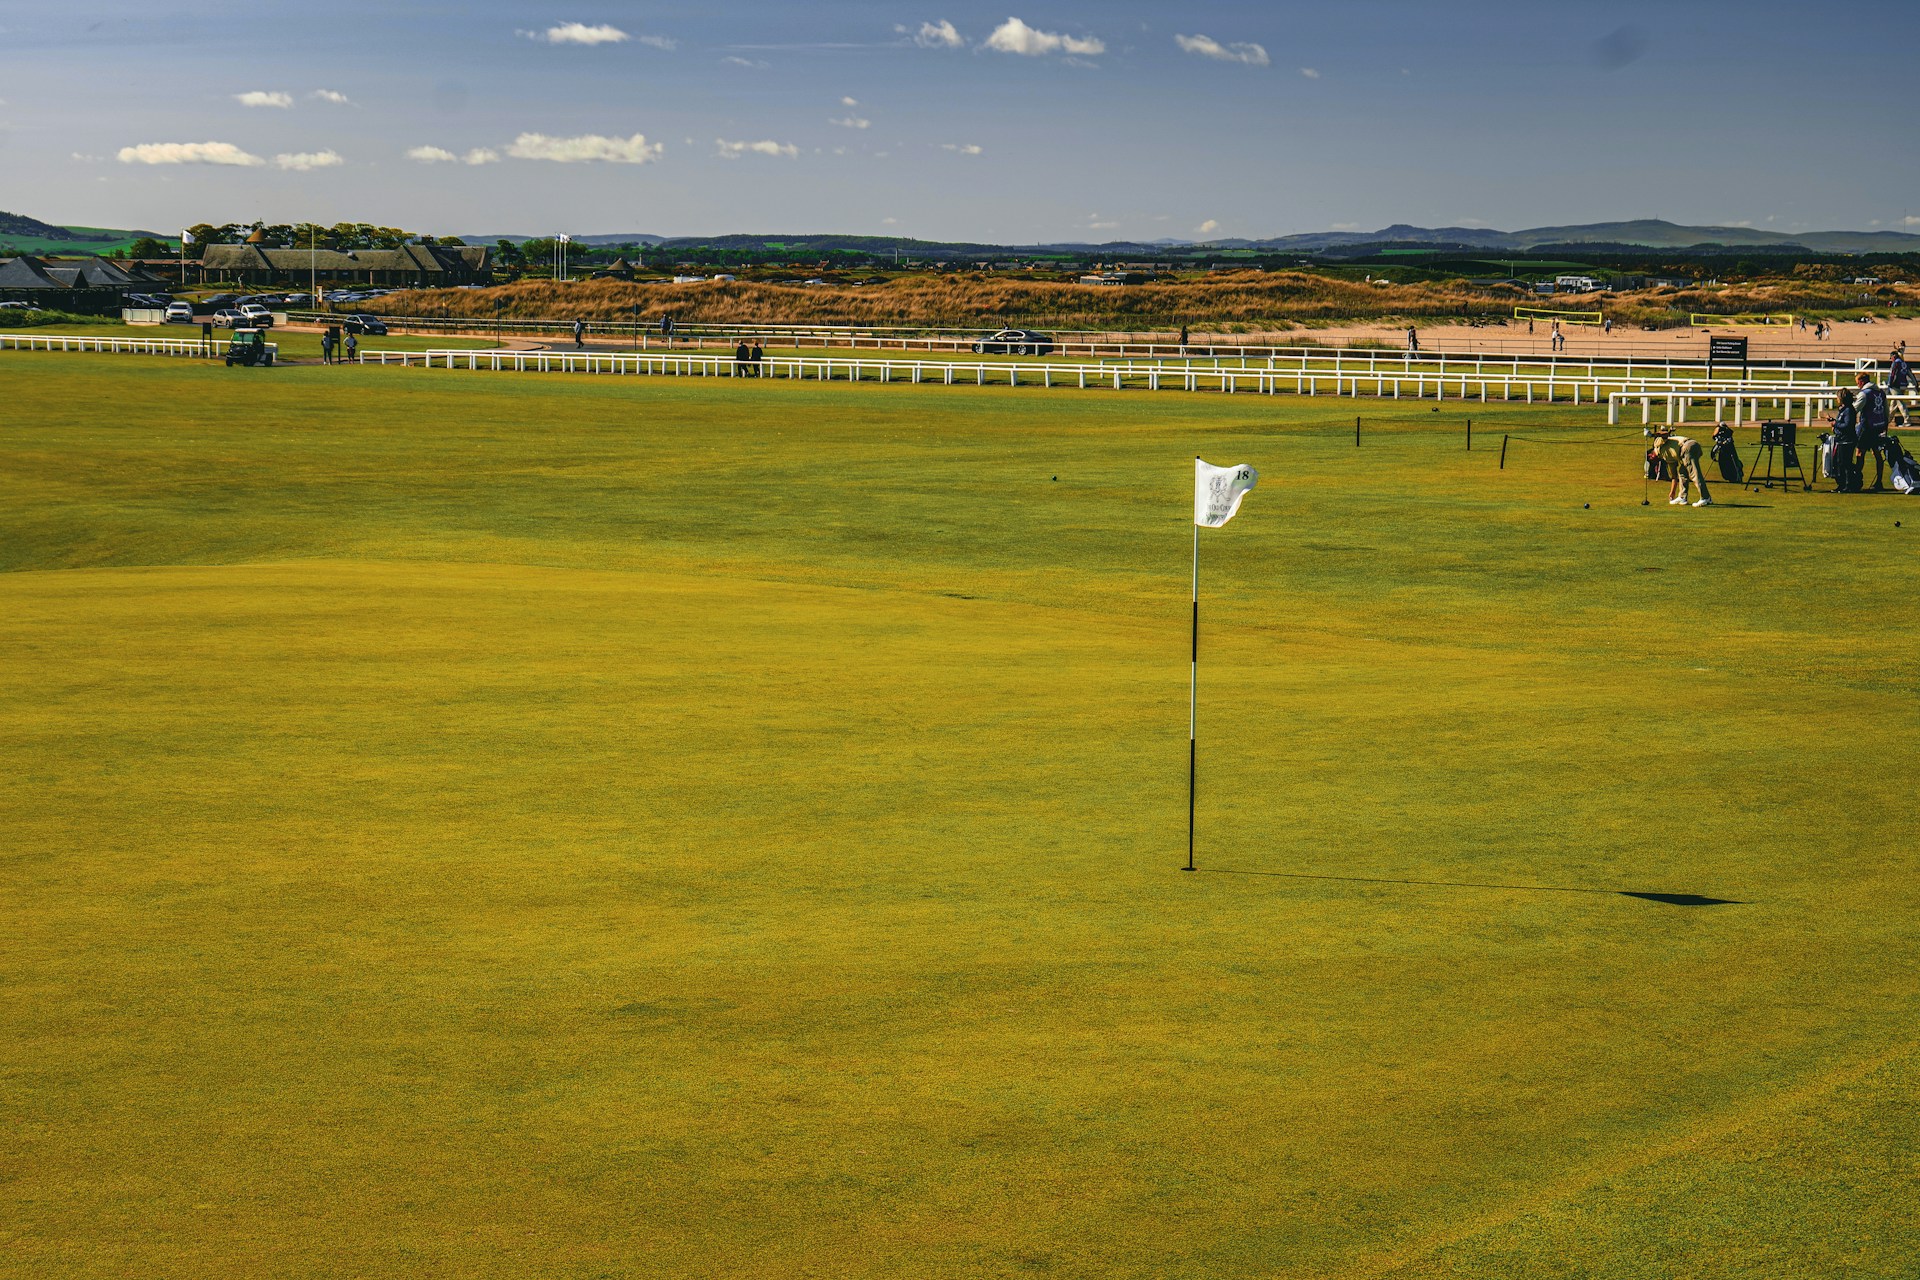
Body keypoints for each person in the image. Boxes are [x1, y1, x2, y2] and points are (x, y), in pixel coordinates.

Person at [1649, 427, 1713, 506]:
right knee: (1682, 473)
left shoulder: (1657, 445)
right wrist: (1672, 492)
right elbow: (1674, 477)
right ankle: (1682, 497)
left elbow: (1665, 434)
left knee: (1694, 474)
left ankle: (1706, 498)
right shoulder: (1665, 457)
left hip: (1687, 446)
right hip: (1685, 452)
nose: (1653, 461)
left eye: (1651, 459)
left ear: (1650, 454)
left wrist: (1651, 434)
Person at [1854, 371, 1890, 490]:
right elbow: (1886, 411)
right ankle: (1879, 481)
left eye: (1857, 382)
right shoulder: (1880, 392)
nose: (1857, 385)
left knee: (1860, 453)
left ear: (1861, 381)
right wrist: (1885, 425)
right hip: (1878, 427)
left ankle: (1857, 480)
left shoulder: (1864, 394)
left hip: (1866, 428)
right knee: (1877, 454)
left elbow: (1854, 409)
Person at [1829, 388, 1860, 492]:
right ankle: (1842, 484)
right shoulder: (1843, 409)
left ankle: (1848, 485)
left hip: (1847, 440)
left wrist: (1836, 424)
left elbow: (1847, 425)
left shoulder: (1849, 410)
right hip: (1841, 439)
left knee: (1845, 463)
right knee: (1840, 463)